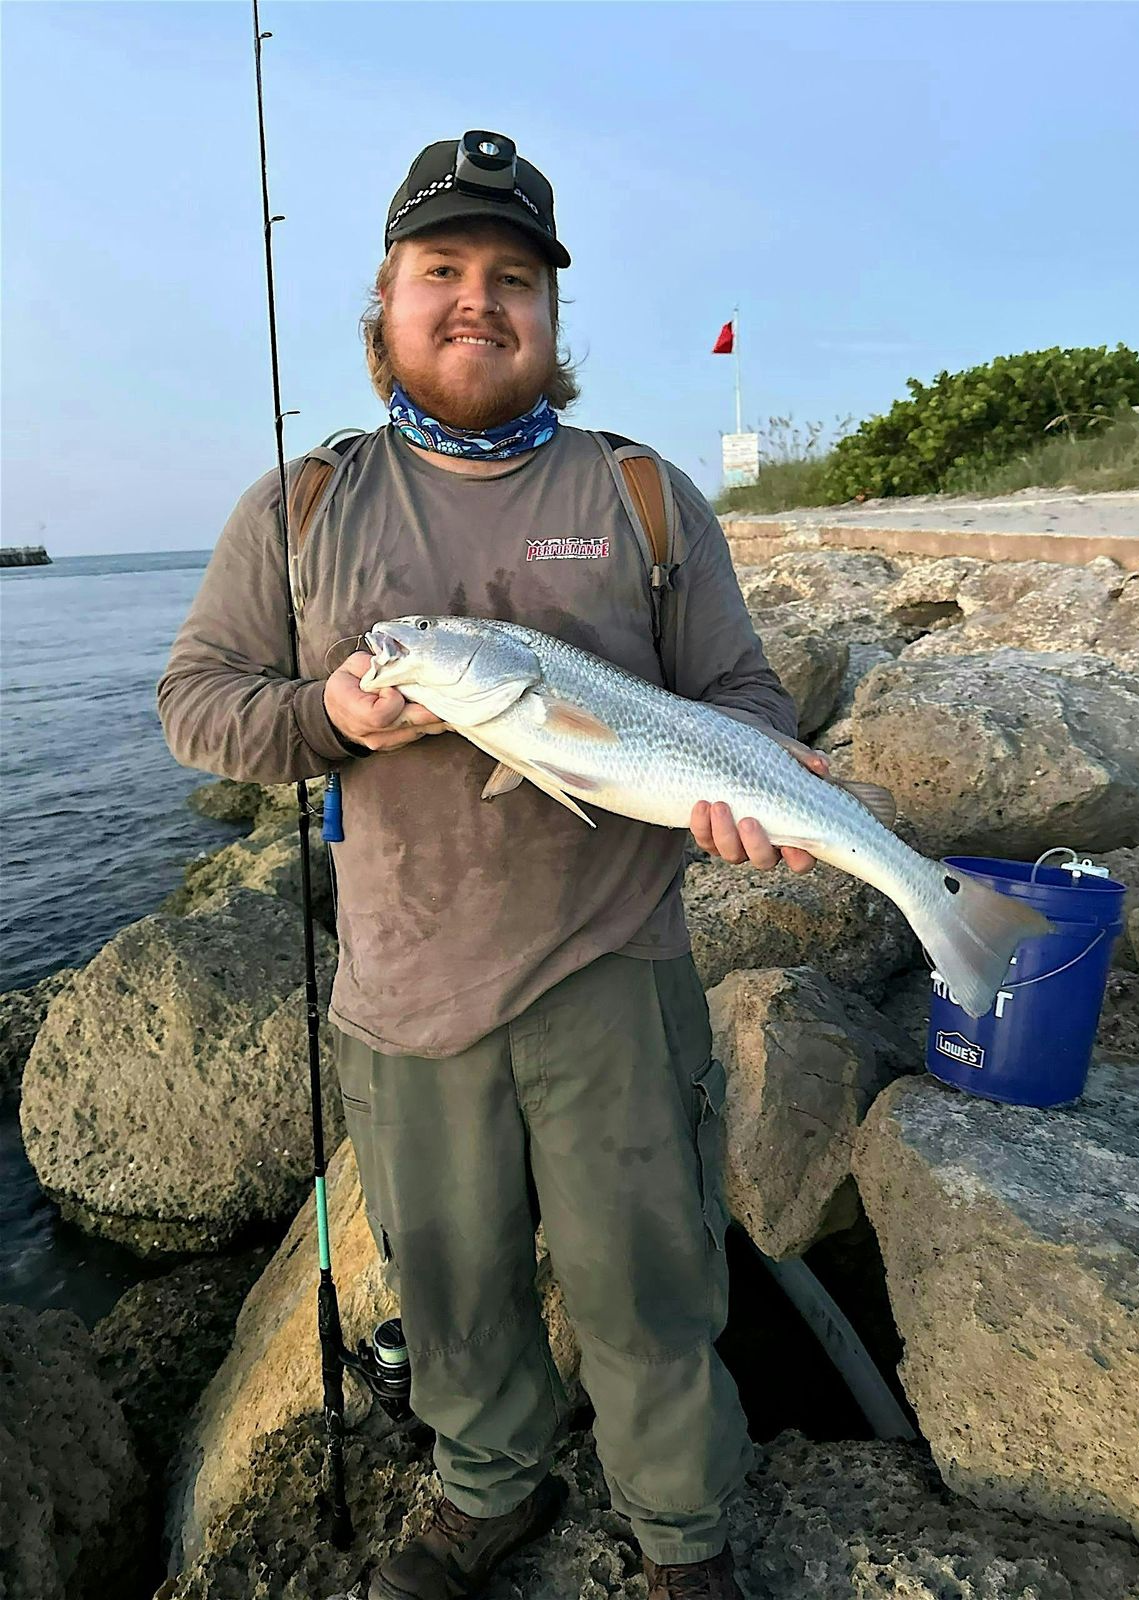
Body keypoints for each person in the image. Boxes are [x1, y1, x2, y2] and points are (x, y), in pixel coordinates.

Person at [157, 131, 829, 1600]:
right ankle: (485, 1485)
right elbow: (197, 705)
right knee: (452, 1292)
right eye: (442, 270)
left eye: (512, 276)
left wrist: (746, 785)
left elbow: (747, 700)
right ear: (386, 301)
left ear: (551, 313)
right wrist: (329, 711)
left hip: (613, 966)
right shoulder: (304, 508)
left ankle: (684, 1530)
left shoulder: (646, 499)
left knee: (652, 1279)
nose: (478, 300)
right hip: (404, 988)